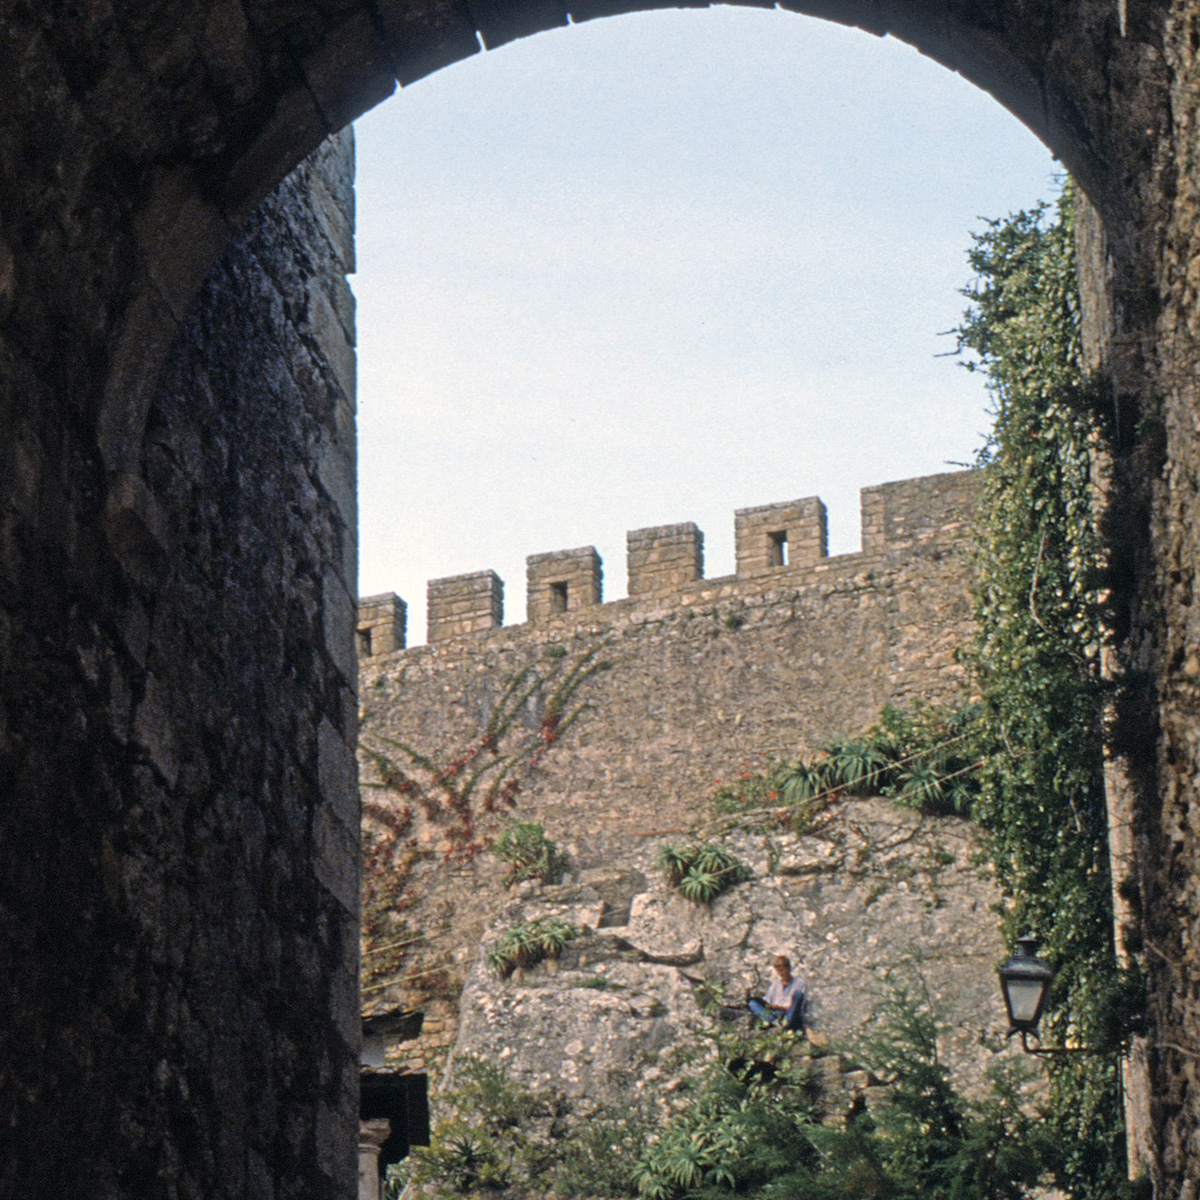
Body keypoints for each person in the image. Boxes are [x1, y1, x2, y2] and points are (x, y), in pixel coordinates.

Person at [748, 954, 807, 1031]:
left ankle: (786, 1023)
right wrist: (768, 1005)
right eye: (778, 971)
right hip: (775, 1013)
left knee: (798, 995)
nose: (781, 973)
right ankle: (773, 1021)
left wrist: (780, 1007)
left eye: (782, 970)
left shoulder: (799, 982)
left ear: (788, 968)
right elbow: (768, 1000)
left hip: (789, 1013)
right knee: (752, 1003)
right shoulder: (776, 983)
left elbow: (798, 1006)